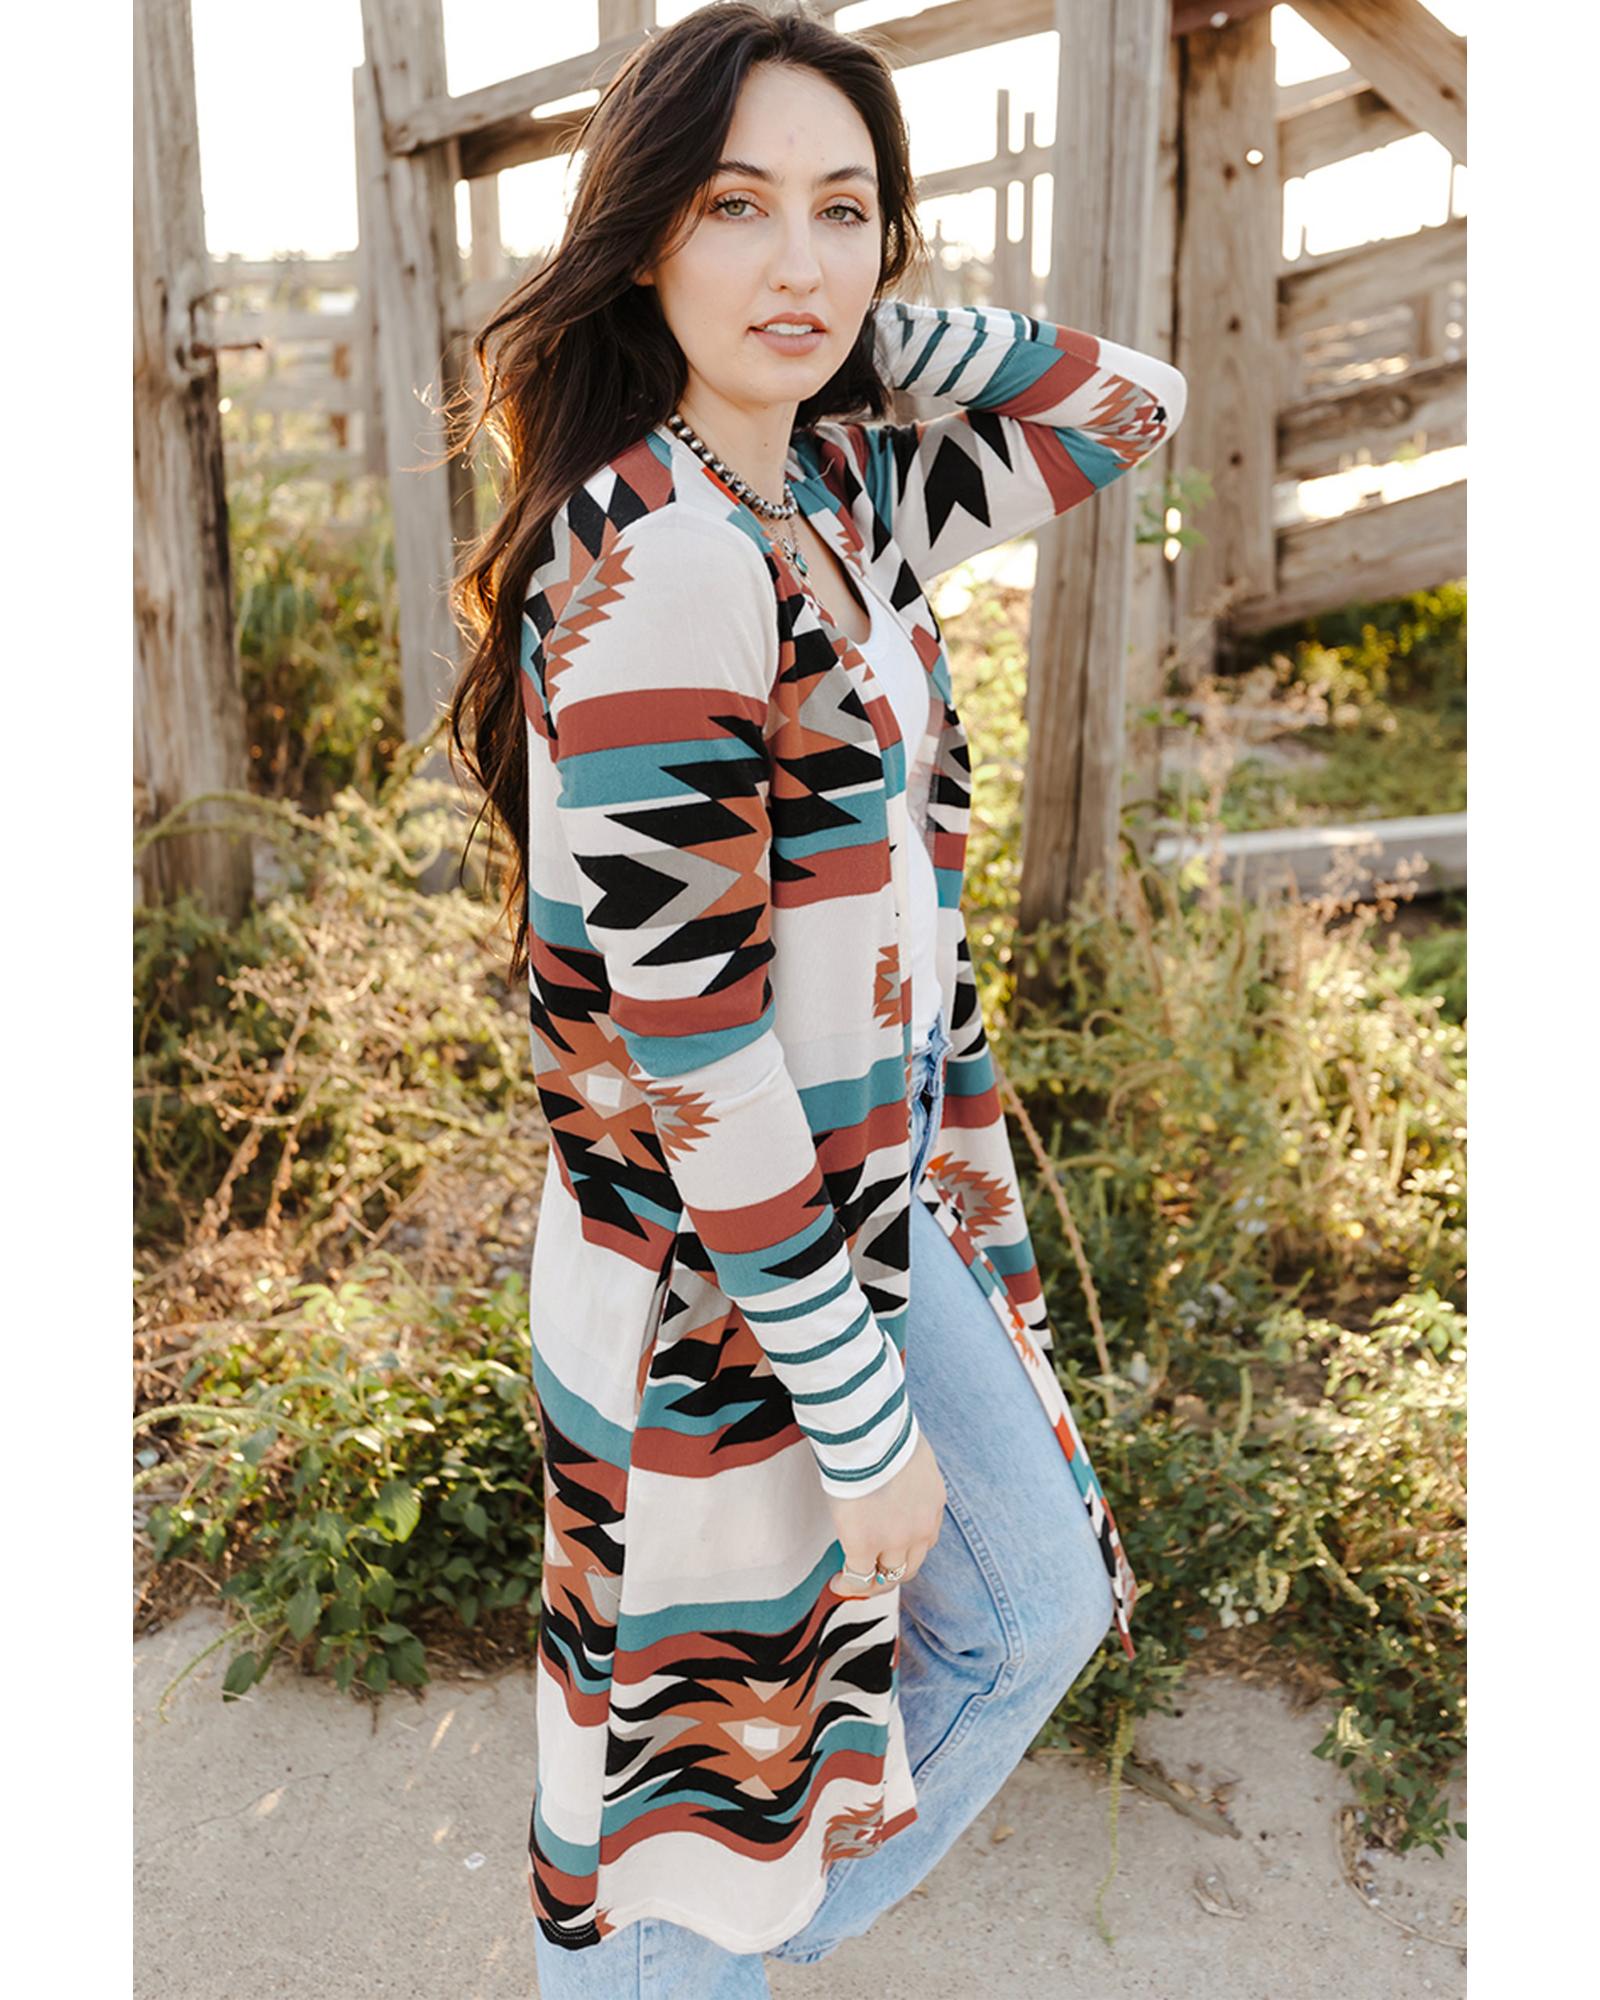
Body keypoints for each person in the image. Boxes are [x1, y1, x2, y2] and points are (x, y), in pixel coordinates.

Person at [447, 4, 1186, 1990]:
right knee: (684, 1785)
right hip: (717, 1259)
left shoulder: (828, 496)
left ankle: (743, 1943)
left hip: (871, 1195)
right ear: (640, 240)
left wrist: (856, 324)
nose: (794, 256)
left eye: (841, 209)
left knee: (1000, 1621)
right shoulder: (669, 556)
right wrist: (860, 1422)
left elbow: (1128, 407)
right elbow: (690, 1041)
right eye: (734, 207)